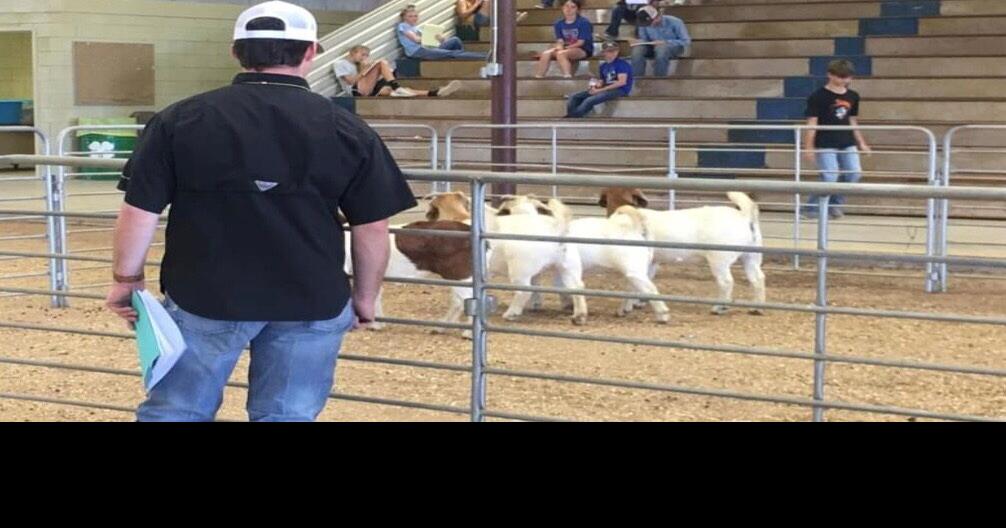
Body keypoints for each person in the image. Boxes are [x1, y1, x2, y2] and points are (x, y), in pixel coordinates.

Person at [107, 1, 417, 422]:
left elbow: (138, 212)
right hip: (312, 298)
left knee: (176, 412)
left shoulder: (179, 120)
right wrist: (364, 297)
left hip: (204, 294)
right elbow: (372, 226)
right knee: (287, 415)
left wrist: (127, 280)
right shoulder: (347, 128)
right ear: (311, 52)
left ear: (236, 52)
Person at [801, 59, 871, 220]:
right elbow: (812, 122)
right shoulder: (817, 96)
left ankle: (834, 204)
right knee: (829, 176)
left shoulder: (853, 96)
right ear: (830, 75)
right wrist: (809, 146)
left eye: (847, 77)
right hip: (825, 142)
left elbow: (852, 120)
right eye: (840, 77)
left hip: (847, 141)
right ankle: (811, 207)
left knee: (854, 173)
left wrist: (861, 142)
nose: (844, 81)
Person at [333, 45, 461, 97]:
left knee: (396, 91)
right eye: (363, 54)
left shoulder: (357, 64)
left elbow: (363, 79)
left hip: (365, 89)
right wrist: (366, 69)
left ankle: (434, 92)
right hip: (355, 91)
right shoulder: (340, 63)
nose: (365, 57)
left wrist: (367, 70)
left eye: (367, 55)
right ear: (352, 52)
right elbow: (350, 81)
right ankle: (396, 86)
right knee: (381, 63)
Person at [565, 40, 632, 118]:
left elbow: (622, 82)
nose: (613, 53)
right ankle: (574, 116)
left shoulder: (622, 64)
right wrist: (595, 86)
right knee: (574, 97)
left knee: (589, 100)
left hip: (620, 90)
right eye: (609, 51)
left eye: (614, 51)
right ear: (604, 52)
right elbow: (603, 80)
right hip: (606, 88)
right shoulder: (603, 66)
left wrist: (600, 90)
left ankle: (571, 118)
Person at [397, 5, 487, 60]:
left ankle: (461, 57)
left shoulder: (417, 28)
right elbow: (416, 40)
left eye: (415, 16)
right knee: (452, 53)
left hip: (428, 47)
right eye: (410, 16)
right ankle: (483, 56)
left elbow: (429, 40)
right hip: (417, 51)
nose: (414, 18)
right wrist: (431, 37)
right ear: (404, 17)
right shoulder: (403, 26)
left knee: (455, 40)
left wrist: (440, 38)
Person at [534, 0, 594, 79]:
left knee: (561, 54)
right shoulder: (558, 23)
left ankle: (567, 76)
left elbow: (581, 42)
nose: (569, 9)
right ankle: (539, 76)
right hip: (566, 48)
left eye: (572, 7)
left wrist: (564, 48)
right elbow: (560, 40)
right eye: (566, 6)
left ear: (577, 9)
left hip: (582, 49)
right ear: (562, 7)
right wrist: (559, 46)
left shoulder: (584, 22)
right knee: (546, 53)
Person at [631, 4, 690, 77]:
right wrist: (639, 42)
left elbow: (686, 41)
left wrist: (666, 42)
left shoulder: (675, 22)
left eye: (650, 23)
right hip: (652, 46)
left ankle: (659, 78)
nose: (649, 25)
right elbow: (644, 39)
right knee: (637, 49)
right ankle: (637, 78)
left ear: (657, 17)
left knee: (661, 49)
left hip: (673, 47)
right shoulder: (643, 25)